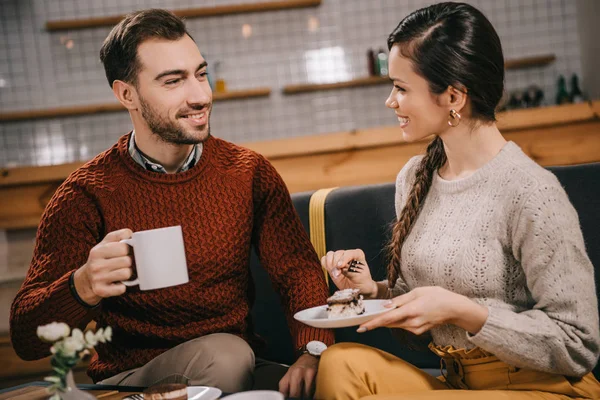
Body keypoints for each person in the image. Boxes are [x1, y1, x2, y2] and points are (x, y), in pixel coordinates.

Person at [9, 9, 333, 399]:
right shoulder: (84, 195)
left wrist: (312, 351)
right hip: (135, 378)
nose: (199, 95)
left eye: (200, 73)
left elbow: (297, 270)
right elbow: (27, 339)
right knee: (226, 356)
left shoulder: (248, 172)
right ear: (126, 94)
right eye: (173, 81)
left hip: (236, 369)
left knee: (326, 384)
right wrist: (83, 286)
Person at [316, 2, 600, 400]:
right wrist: (375, 291)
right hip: (458, 384)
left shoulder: (531, 192)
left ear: (453, 96)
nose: (389, 101)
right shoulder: (415, 177)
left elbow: (577, 344)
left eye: (400, 88)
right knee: (339, 363)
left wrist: (465, 311)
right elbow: (428, 303)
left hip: (538, 387)